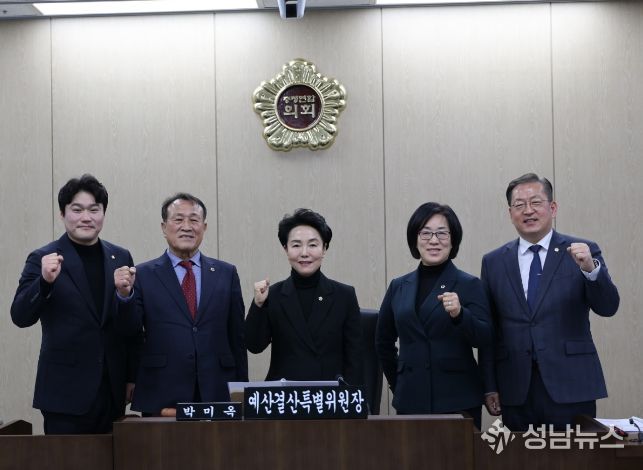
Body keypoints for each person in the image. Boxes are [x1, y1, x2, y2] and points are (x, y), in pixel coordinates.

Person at [480, 173, 619, 431]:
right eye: (519, 205)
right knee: (518, 454)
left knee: (573, 454)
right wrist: (489, 385)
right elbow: (490, 329)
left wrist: (591, 270)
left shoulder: (583, 250)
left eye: (536, 202)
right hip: (515, 387)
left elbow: (608, 307)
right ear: (510, 213)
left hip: (571, 383)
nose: (528, 210)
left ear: (552, 208)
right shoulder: (494, 261)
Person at [11, 174, 137, 434]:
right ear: (62, 214)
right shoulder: (43, 258)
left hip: (112, 391)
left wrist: (131, 376)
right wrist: (44, 282)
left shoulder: (120, 256)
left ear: (103, 214)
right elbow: (20, 316)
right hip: (64, 393)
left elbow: (130, 327)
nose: (86, 217)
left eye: (94, 209)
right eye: (77, 210)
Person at [115, 193, 247, 414]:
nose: (187, 226)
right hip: (161, 388)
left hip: (217, 388)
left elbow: (237, 337)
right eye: (178, 219)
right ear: (164, 227)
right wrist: (124, 296)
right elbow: (130, 332)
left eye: (194, 220)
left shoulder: (226, 273)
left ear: (204, 227)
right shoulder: (143, 274)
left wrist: (241, 389)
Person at [375, 202, 491, 429]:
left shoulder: (469, 284)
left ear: (453, 239)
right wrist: (399, 382)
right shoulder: (399, 286)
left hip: (458, 400)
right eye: (426, 233)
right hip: (410, 399)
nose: (434, 240)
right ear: (415, 239)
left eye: (442, 233)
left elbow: (486, 338)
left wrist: (460, 314)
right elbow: (382, 341)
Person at [245, 208, 362, 385]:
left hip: (329, 395)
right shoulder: (273, 294)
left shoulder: (344, 296)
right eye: (296, 245)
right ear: (286, 249)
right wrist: (258, 305)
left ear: (324, 249)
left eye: (313, 245)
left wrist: (350, 395)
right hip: (285, 395)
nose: (304, 253)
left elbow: (355, 358)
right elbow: (254, 346)